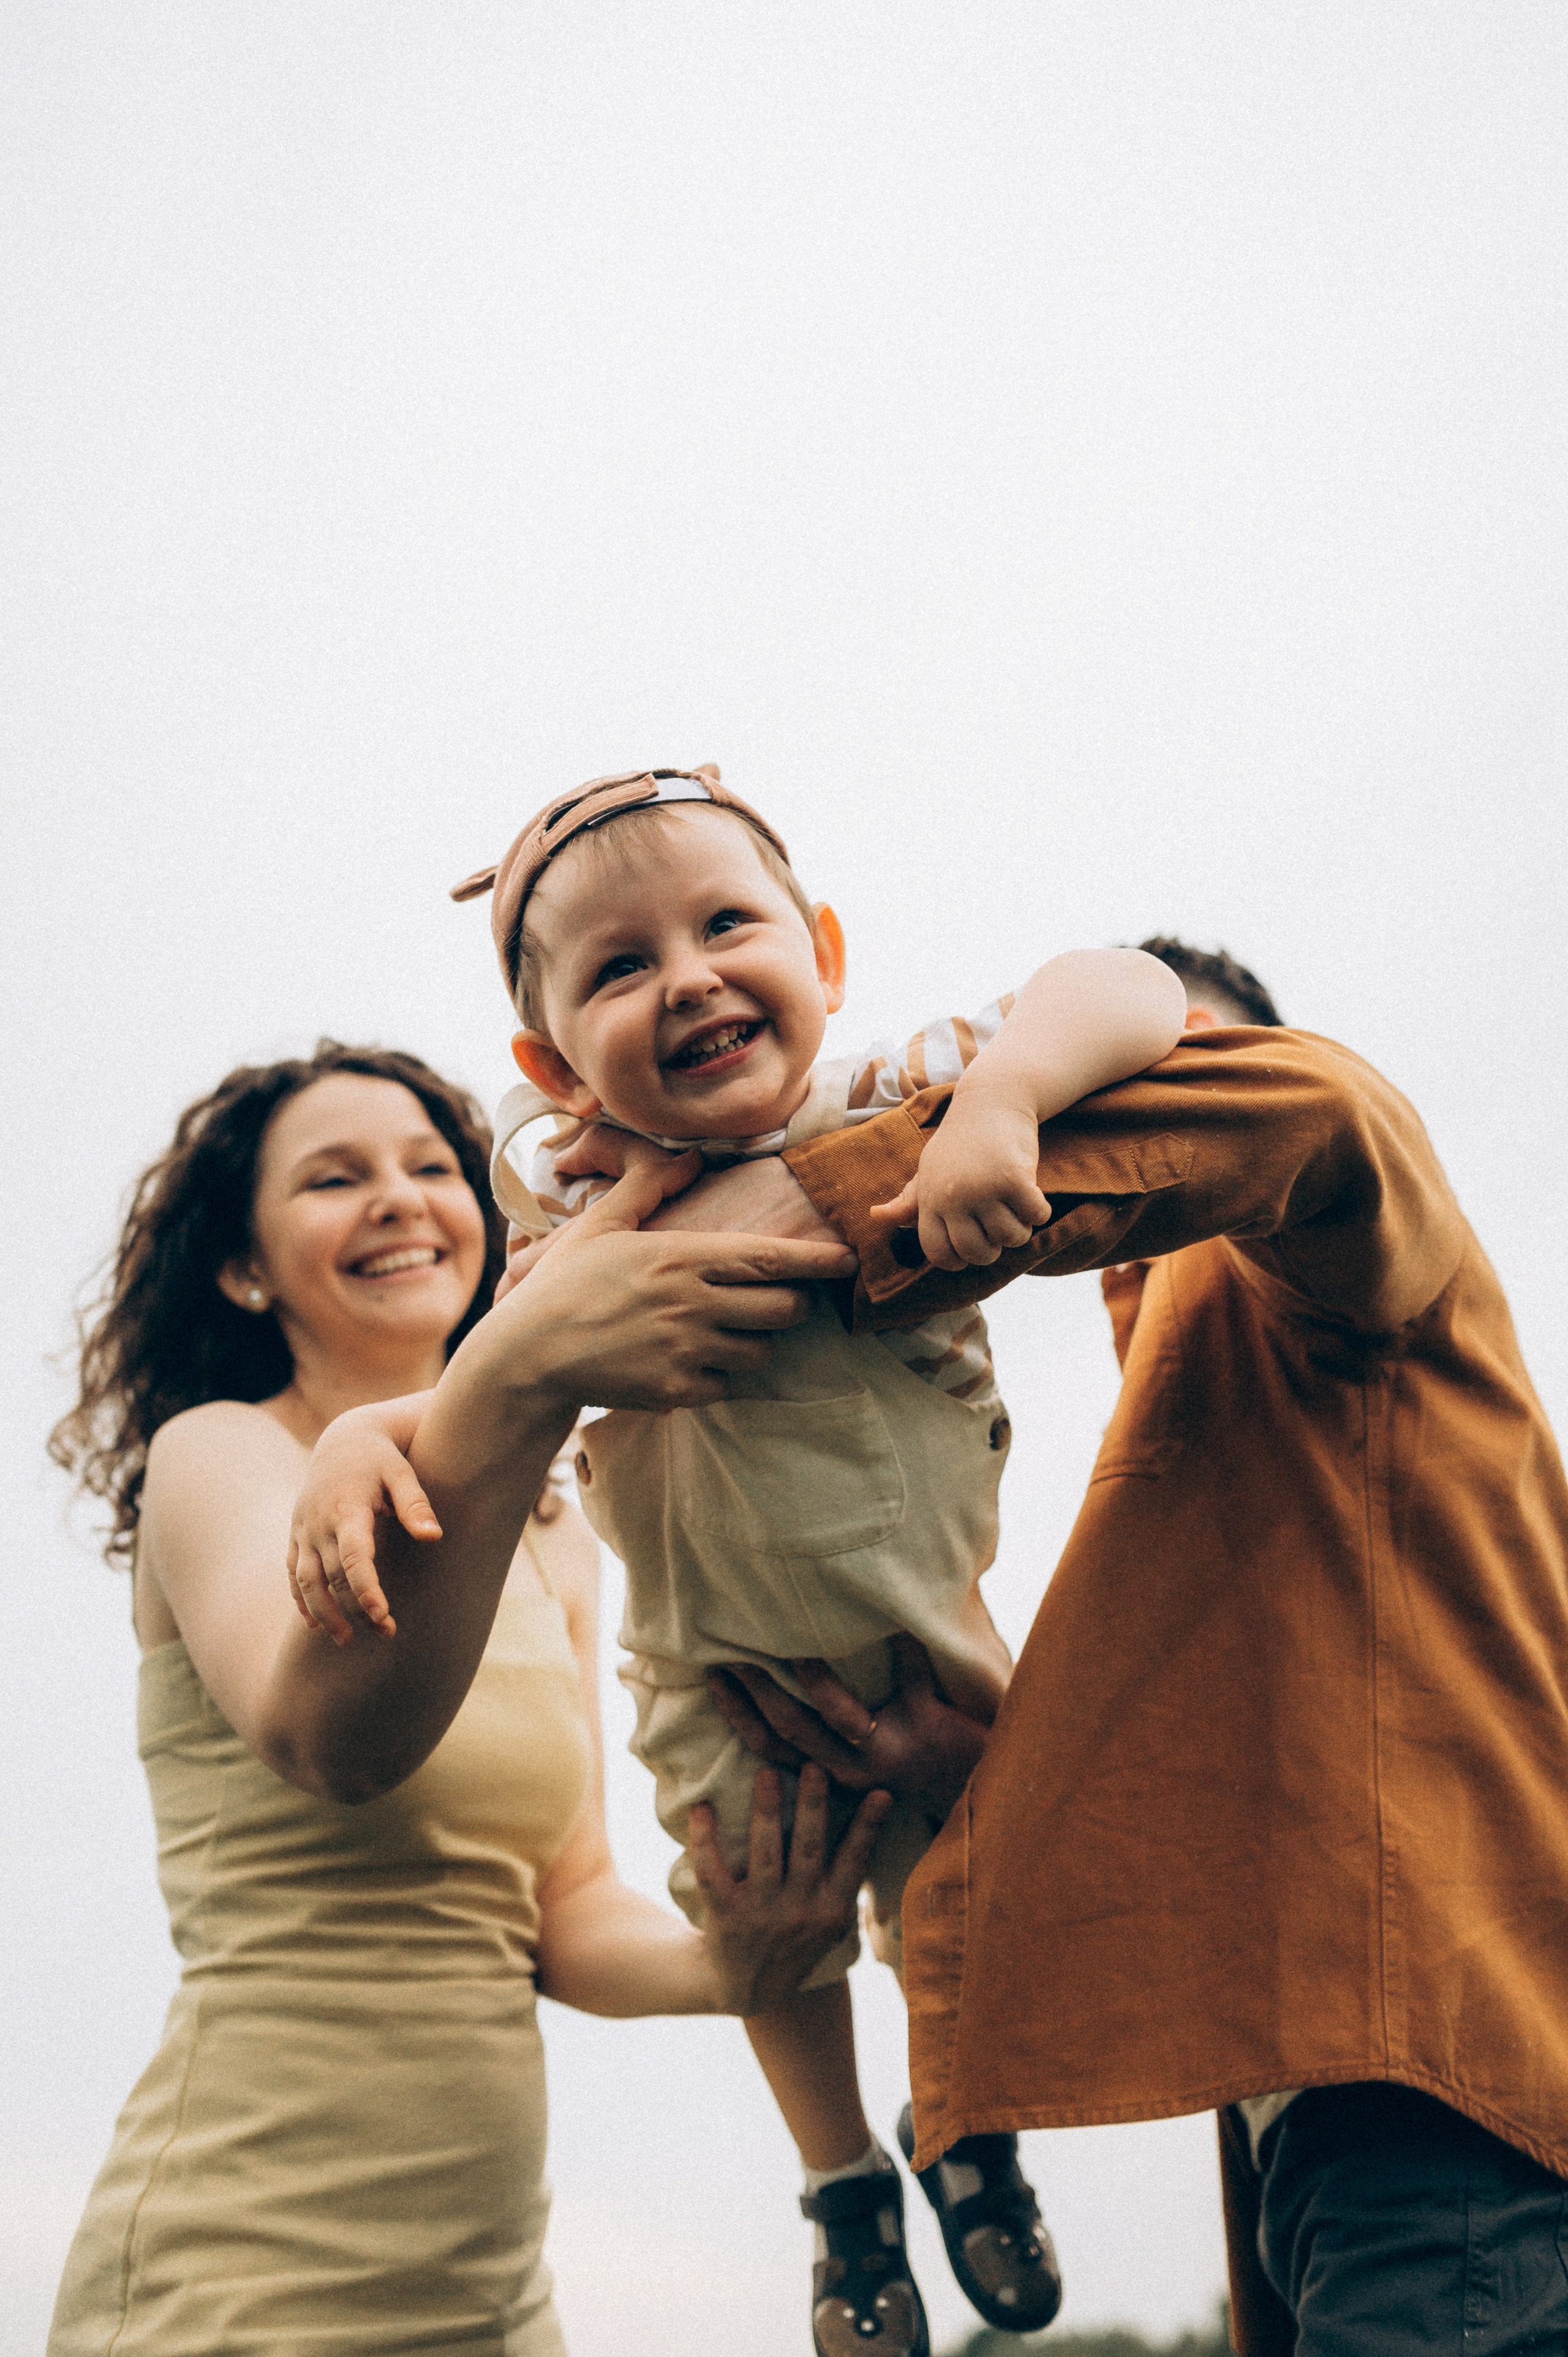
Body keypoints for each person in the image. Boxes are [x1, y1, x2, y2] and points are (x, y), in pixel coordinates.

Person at [288, 764, 1188, 2357]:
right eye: (620, 966)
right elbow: (494, 1379)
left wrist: (1004, 1101)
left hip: (926, 1638)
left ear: (821, 949)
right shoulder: (571, 1215)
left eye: (725, 924)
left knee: (949, 1904)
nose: (688, 976)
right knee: (763, 1919)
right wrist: (373, 1436)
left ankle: (960, 2130)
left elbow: (1133, 988)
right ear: (549, 1060)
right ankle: (842, 2186)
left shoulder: (885, 1101)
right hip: (714, 1669)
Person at [708, 936, 1568, 2357]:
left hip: (1448, 2134)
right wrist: (981, 1767)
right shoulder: (1220, 1431)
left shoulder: (1347, 1211)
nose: (1092, 1107)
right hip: (1356, 2145)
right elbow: (1313, 1782)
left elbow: (1300, 1111)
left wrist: (750, 1229)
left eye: (1145, 1075)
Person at [45, 1039, 880, 2357]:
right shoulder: (216, 1457)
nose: (396, 1196)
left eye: (432, 1167)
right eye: (333, 1177)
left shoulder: (550, 1528)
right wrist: (527, 1372)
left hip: (488, 2297)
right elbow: (333, 1740)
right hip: (232, 2275)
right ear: (242, 1266)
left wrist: (734, 1961)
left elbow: (562, 1911)